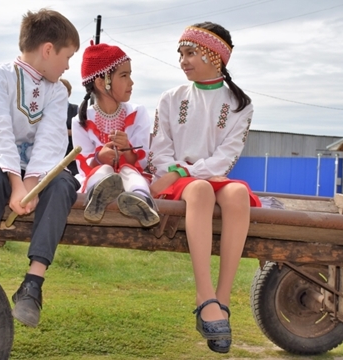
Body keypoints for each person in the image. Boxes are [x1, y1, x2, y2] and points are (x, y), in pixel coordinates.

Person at [0, 8, 80, 328]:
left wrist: (34, 183)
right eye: (67, 57)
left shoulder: (56, 91)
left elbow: (51, 141)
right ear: (48, 49)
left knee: (64, 185)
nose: (68, 66)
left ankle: (32, 285)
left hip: (37, 170)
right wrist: (17, 183)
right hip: (1, 162)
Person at [147, 22, 261, 353]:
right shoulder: (171, 98)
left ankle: (221, 300)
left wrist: (187, 168)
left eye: (190, 53)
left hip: (210, 176)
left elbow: (226, 158)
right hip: (181, 181)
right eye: (180, 54)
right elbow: (160, 148)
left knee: (237, 193)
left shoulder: (241, 104)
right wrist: (177, 171)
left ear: (215, 56)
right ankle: (204, 294)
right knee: (199, 191)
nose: (183, 60)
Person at [72, 41, 159, 227]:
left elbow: (142, 161)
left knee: (129, 171)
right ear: (102, 82)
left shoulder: (138, 113)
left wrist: (127, 150)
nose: (131, 82)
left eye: (130, 75)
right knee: (104, 171)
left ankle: (141, 201)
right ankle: (97, 196)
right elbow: (83, 165)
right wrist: (99, 157)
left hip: (131, 173)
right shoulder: (80, 121)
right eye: (124, 75)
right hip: (96, 176)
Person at [59, 78, 79, 175]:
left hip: (71, 157)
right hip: (53, 155)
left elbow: (81, 131)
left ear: (69, 93)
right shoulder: (47, 110)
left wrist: (65, 132)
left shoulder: (75, 110)